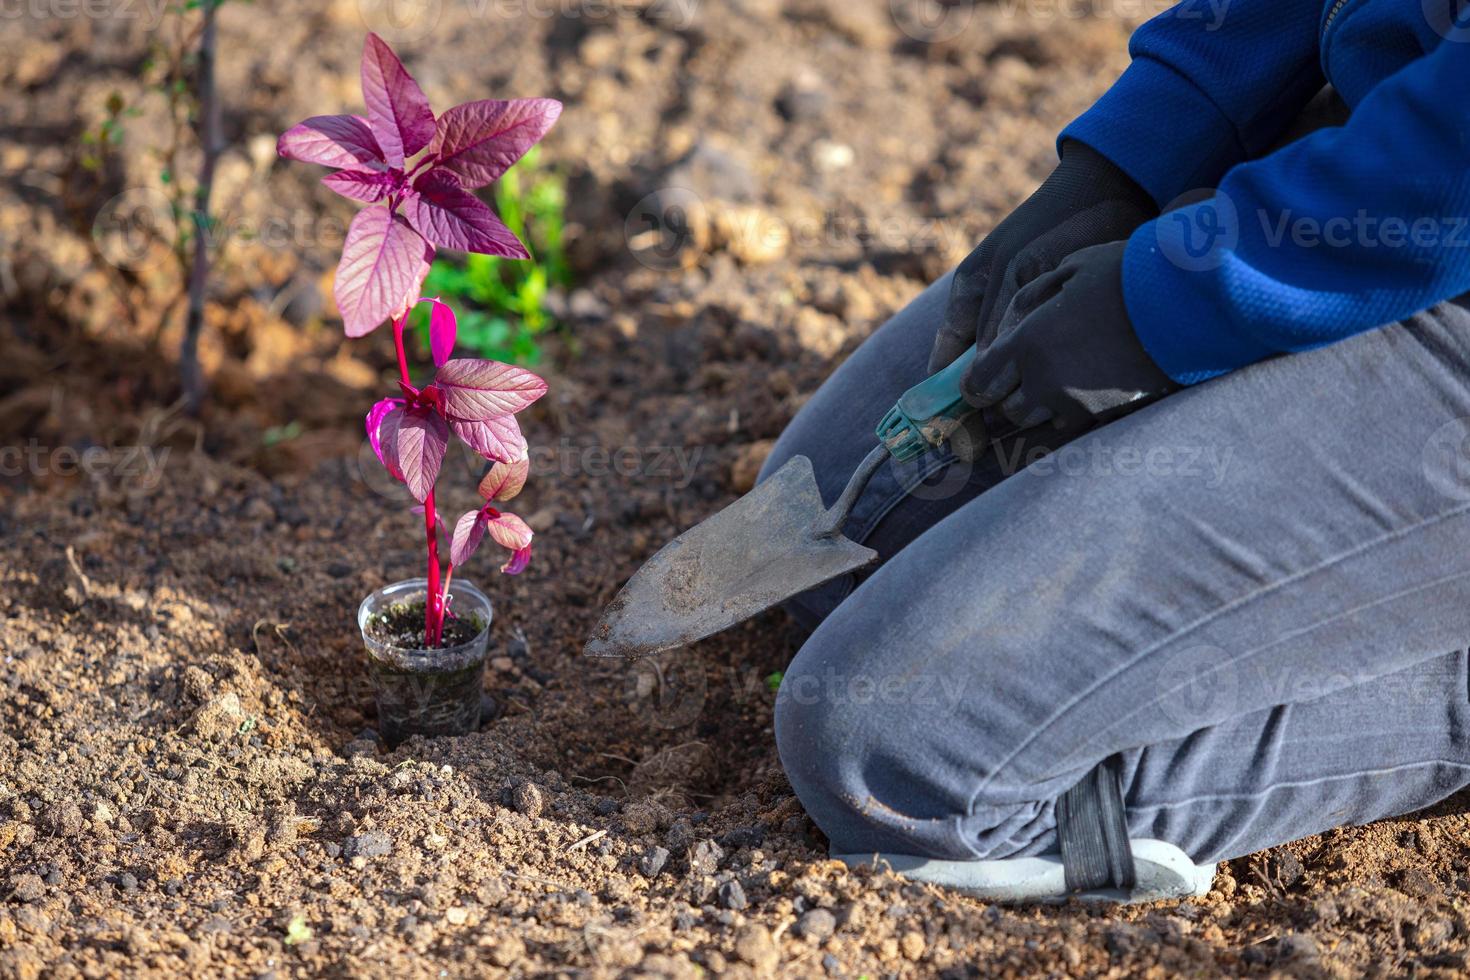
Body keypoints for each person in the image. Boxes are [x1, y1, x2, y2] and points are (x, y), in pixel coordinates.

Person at [761, 0, 1470, 902]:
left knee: (903, 758)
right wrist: (1132, 161)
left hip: (1436, 215)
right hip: (1370, 141)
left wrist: (1175, 299)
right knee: (836, 532)